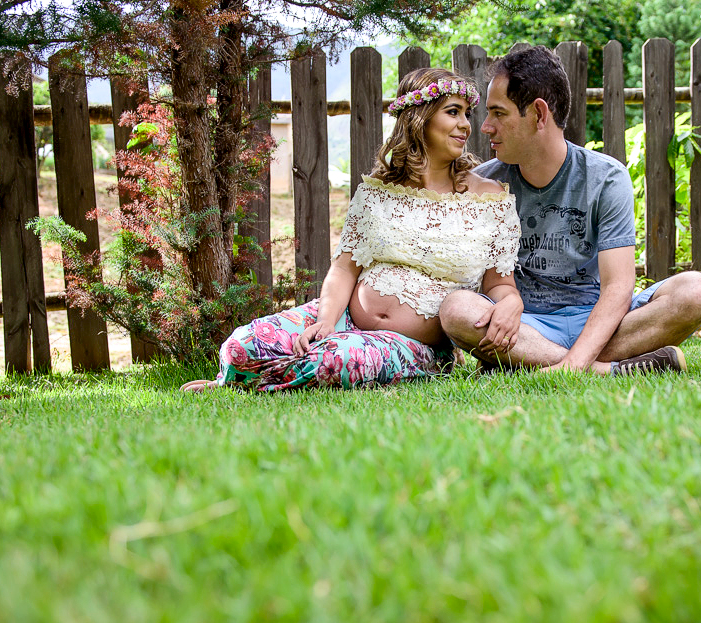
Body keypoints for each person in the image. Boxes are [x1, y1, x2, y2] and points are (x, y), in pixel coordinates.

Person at [182, 68, 521, 392]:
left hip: (419, 345)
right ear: (419, 118)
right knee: (241, 345)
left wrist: (512, 304)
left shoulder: (490, 200)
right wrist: (325, 321)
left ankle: (253, 384)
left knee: (331, 362)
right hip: (344, 318)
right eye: (453, 112)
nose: (465, 125)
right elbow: (345, 268)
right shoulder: (376, 192)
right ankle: (234, 377)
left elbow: (500, 286)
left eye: (466, 114)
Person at [438, 46, 701, 375]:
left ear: (539, 115)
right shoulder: (483, 184)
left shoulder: (605, 177)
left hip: (602, 319)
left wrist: (571, 360)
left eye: (498, 113)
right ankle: (609, 369)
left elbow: (618, 286)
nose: (485, 127)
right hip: (525, 324)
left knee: (697, 291)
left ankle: (533, 362)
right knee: (456, 309)